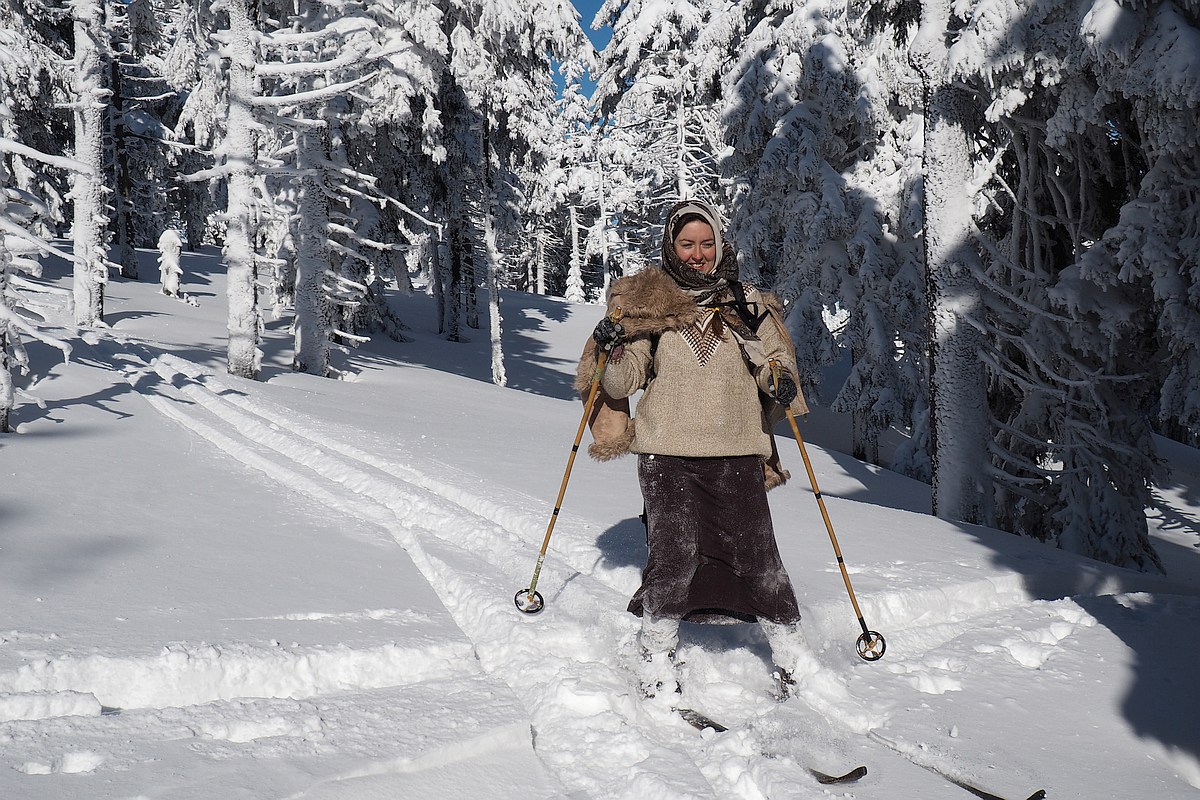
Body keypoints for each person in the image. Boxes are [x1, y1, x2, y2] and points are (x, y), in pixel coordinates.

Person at [576, 199, 816, 701]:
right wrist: (612, 345)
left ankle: (794, 657)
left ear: (721, 245)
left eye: (706, 244)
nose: (697, 254)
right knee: (673, 557)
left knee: (758, 558)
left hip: (737, 450)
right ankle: (656, 657)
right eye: (687, 244)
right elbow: (623, 378)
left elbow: (780, 373)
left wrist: (779, 377)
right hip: (666, 452)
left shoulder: (749, 304)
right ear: (671, 246)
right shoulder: (650, 303)